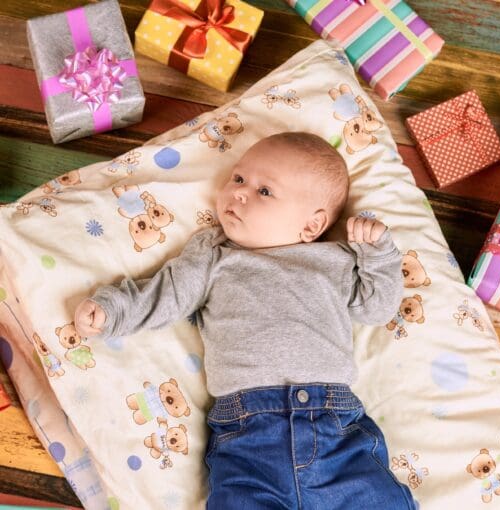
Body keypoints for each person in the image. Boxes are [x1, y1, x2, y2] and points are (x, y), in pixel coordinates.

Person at [74, 132, 414, 509]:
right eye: (238, 179)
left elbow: (377, 307)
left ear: (312, 225)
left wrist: (377, 254)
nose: (239, 193)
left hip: (334, 429)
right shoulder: (215, 255)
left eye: (264, 191)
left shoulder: (334, 261)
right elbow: (167, 295)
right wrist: (113, 310)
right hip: (248, 436)